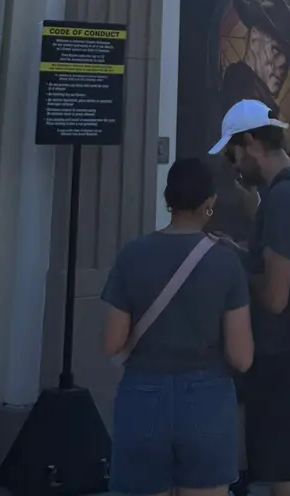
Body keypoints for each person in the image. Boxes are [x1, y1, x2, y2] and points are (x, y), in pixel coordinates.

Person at [101, 156, 252, 496]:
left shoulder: (132, 254)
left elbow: (112, 342)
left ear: (168, 199)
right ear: (209, 202)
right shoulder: (226, 262)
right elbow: (242, 357)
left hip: (143, 394)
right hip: (208, 398)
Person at [210, 99, 290, 496]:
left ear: (250, 142)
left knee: (289, 473)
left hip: (288, 360)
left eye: (232, 154)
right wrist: (242, 252)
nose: (233, 166)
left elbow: (276, 296)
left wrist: (235, 267)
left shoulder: (283, 198)